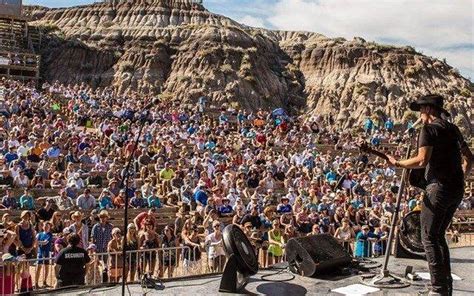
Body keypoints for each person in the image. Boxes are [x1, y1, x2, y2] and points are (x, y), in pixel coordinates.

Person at [387, 95, 472, 296]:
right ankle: (445, 285)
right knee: (438, 236)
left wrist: (398, 163)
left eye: (421, 110)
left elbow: (422, 160)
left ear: (427, 109)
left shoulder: (429, 129)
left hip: (438, 189)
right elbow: (469, 158)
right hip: (456, 189)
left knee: (429, 238)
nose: (419, 115)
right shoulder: (453, 129)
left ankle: (438, 289)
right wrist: (459, 177)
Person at [35, 221, 54, 289]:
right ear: (43, 227)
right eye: (45, 226)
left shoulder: (50, 234)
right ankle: (36, 283)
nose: (46, 227)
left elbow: (45, 242)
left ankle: (45, 281)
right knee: (38, 267)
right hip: (40, 252)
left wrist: (37, 242)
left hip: (47, 252)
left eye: (47, 226)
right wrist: (37, 243)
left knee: (46, 267)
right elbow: (35, 243)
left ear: (49, 227)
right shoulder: (39, 234)